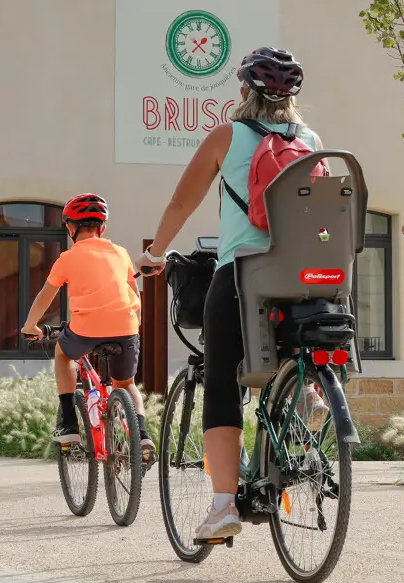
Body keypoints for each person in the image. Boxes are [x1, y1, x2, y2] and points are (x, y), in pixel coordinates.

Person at [137, 47, 326, 542]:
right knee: (290, 359)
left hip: (244, 275)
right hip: (306, 278)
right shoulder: (311, 141)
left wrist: (155, 253)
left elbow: (183, 200)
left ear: (244, 91)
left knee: (222, 382)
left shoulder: (228, 135)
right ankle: (305, 393)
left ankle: (223, 507)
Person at [18, 193, 151, 453]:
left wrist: (30, 326)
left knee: (63, 355)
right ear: (103, 228)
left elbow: (46, 295)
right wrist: (134, 325)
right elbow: (135, 294)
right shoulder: (121, 253)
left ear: (70, 227)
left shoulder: (68, 258)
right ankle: (143, 435)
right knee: (126, 384)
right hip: (125, 328)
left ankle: (68, 424)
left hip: (85, 329)